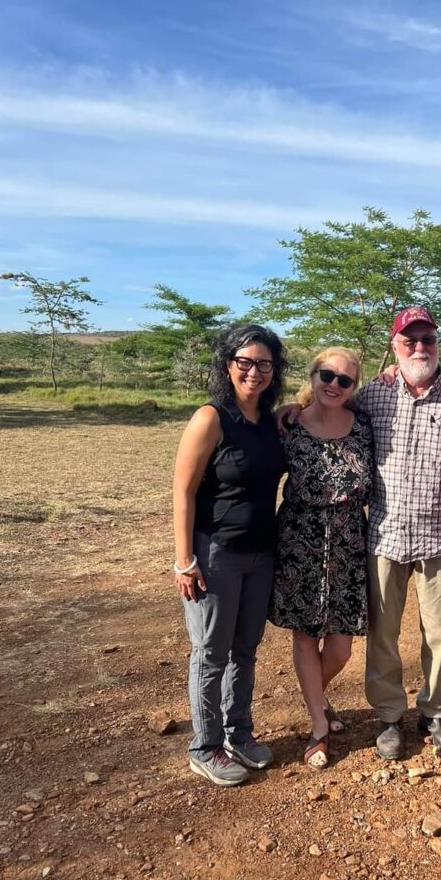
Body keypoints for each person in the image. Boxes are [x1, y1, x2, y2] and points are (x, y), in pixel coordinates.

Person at [357, 307, 441, 760]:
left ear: (437, 344)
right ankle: (389, 715)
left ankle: (434, 712)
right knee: (383, 630)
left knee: (440, 632)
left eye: (427, 340)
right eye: (409, 341)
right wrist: (294, 409)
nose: (419, 348)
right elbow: (329, 416)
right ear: (394, 347)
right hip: (385, 534)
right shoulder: (373, 395)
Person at [172, 324, 287, 787]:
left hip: (262, 552)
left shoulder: (269, 420)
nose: (254, 372)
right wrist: (185, 559)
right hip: (214, 552)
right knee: (210, 652)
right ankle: (205, 745)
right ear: (228, 365)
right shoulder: (210, 417)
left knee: (246, 649)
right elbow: (182, 491)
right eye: (245, 362)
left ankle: (239, 732)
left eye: (264, 363)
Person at [269, 348, 373, 769]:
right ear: (312, 376)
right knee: (306, 636)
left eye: (344, 380)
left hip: (349, 540)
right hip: (299, 540)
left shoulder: (364, 426)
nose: (334, 384)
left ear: (353, 389)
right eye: (327, 375)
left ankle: (315, 695)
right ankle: (318, 724)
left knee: (342, 648)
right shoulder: (288, 426)